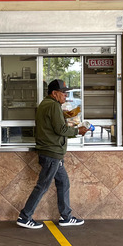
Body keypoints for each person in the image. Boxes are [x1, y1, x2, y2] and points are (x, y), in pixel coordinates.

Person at [17, 79, 88, 229]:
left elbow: (54, 125)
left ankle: (66, 216)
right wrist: (78, 131)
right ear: (54, 93)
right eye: (63, 93)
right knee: (42, 185)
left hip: (52, 152)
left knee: (63, 182)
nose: (66, 96)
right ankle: (24, 216)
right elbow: (60, 130)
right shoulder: (53, 106)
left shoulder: (46, 104)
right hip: (52, 153)